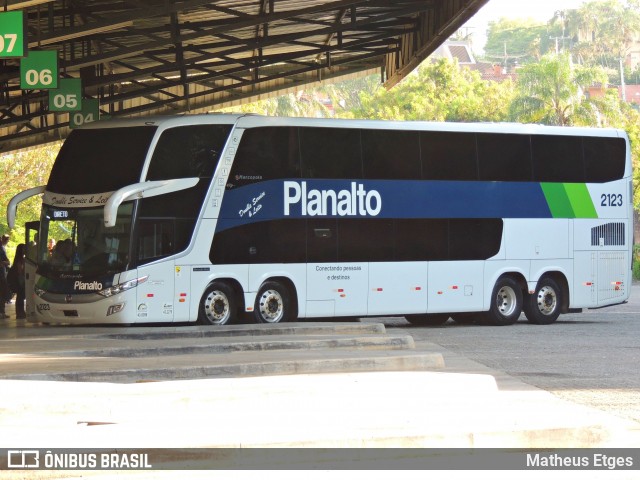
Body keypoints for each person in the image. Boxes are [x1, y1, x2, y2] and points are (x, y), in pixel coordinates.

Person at [7, 244, 26, 319]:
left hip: (18, 278)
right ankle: (20, 312)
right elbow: (20, 271)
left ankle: (20, 312)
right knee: (20, 296)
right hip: (19, 279)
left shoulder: (18, 259)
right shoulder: (20, 260)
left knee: (20, 296)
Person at [0, 234, 10, 319]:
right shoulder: (1, 249)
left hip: (2, 274)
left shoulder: (2, 249)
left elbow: (7, 261)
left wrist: (4, 263)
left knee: (2, 293)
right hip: (1, 275)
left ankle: (2, 311)